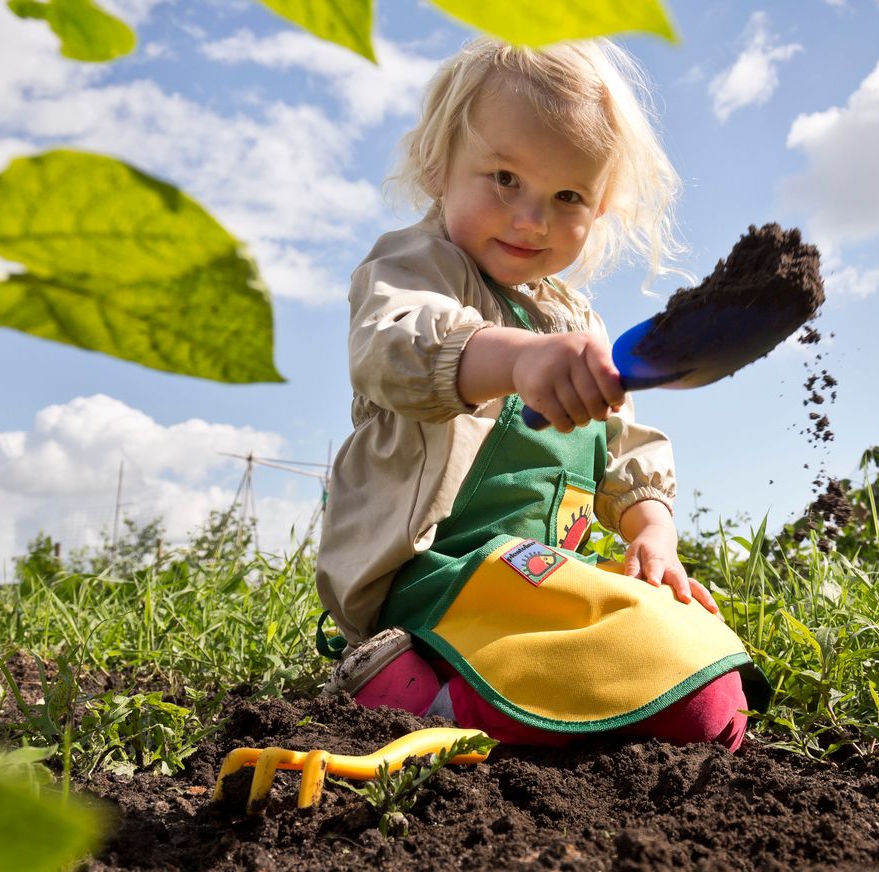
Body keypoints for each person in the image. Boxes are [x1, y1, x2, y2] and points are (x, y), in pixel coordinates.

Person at [314, 37, 766, 750]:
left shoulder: (577, 322)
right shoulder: (419, 266)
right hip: (437, 572)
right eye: (503, 178)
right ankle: (418, 697)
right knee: (680, 696)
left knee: (713, 691)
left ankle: (548, 708)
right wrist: (517, 360)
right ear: (439, 163)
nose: (532, 219)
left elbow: (623, 447)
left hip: (545, 572)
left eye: (567, 197)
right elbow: (390, 346)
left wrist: (652, 532)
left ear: (602, 206)